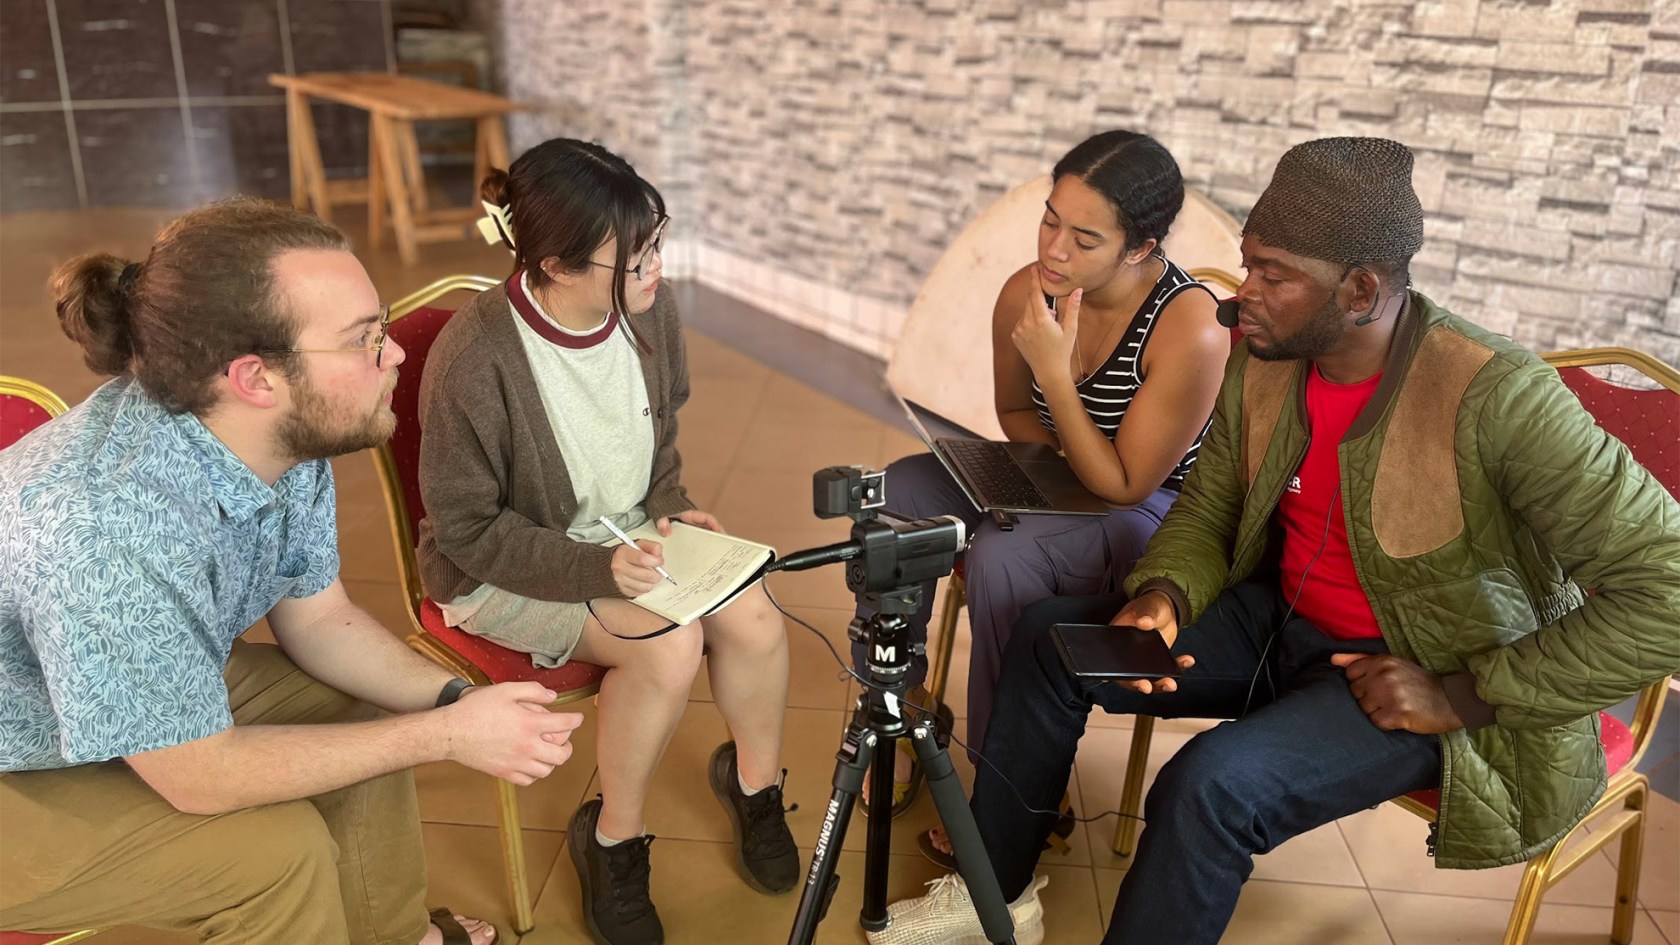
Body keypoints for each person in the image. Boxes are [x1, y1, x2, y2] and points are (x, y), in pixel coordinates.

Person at [872, 137, 1680, 945]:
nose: (1241, 294)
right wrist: (1165, 595)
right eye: (1248, 264)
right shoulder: (1266, 361)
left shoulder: (1499, 397)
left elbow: (1667, 589)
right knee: (1049, 642)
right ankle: (996, 894)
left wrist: (1459, 694)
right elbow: (1210, 508)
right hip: (1281, 623)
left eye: (1273, 275)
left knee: (1207, 788)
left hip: (1417, 667)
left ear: (1360, 290)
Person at [0, 199, 584, 945]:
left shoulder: (279, 434)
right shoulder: (104, 528)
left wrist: (458, 703)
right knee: (277, 859)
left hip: (71, 685)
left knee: (362, 709)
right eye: (362, 339)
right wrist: (445, 737)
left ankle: (394, 936)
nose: (395, 354)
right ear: (256, 377)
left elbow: (320, 618)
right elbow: (199, 775)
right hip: (15, 757)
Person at [417, 138, 799, 945]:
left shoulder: (650, 309)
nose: (655, 268)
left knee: (759, 616)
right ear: (556, 266)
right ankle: (613, 839)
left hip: (625, 534)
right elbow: (466, 528)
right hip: (504, 565)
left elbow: (657, 439)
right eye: (633, 257)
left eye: (657, 242)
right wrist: (595, 567)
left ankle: (755, 787)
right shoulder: (475, 358)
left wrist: (671, 505)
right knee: (667, 644)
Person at [860, 130, 1228, 819]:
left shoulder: (1193, 327)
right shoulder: (1025, 295)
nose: (1054, 250)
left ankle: (1007, 791)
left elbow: (1127, 484)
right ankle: (899, 709)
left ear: (1140, 247)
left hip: (1151, 511)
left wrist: (1057, 376)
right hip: (1063, 475)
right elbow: (1011, 413)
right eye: (1050, 221)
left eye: (1084, 240)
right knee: (898, 492)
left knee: (1007, 554)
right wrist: (1056, 469)